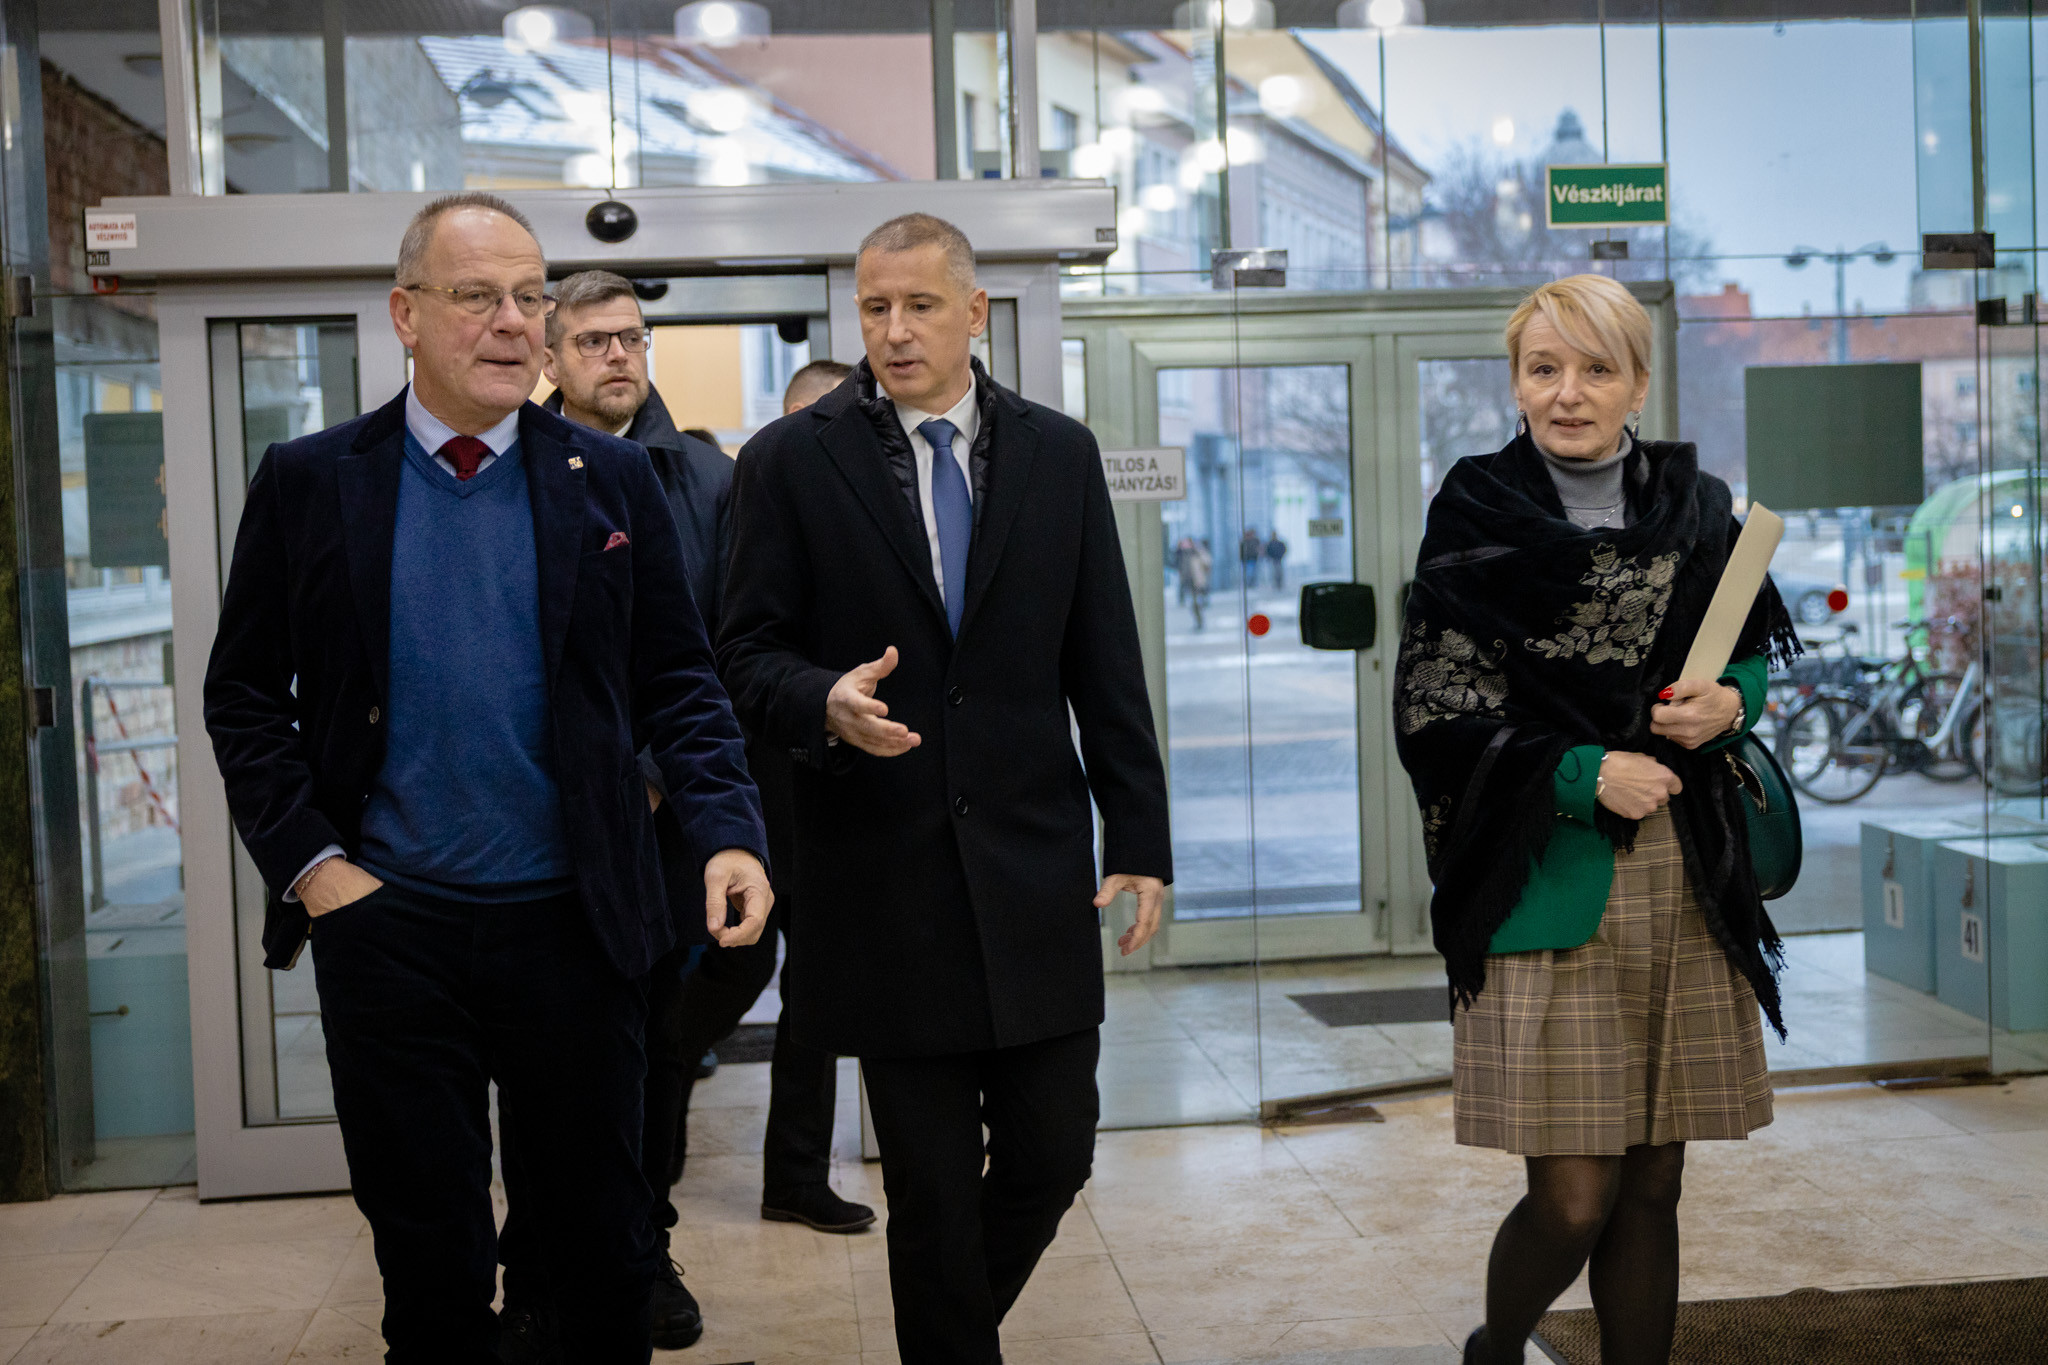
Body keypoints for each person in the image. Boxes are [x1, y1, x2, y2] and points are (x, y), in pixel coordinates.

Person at [203, 192, 773, 1365]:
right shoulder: (311, 481)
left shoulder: (609, 479)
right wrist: (315, 870)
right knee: (430, 1265)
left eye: (527, 296)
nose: (512, 321)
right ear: (405, 315)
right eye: (476, 296)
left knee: (598, 1260)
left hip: (577, 925)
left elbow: (679, 679)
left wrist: (727, 828)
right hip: (389, 928)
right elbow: (246, 696)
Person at [718, 212, 1172, 1364]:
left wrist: (1139, 836)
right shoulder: (788, 461)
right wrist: (821, 698)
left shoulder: (1058, 455)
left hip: (1033, 872)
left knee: (1053, 1152)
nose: (894, 330)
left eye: (919, 305)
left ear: (973, 312)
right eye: (874, 307)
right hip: (881, 880)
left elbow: (1104, 661)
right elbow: (743, 652)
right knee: (926, 1190)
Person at [1391, 273, 1798, 1365]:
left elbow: (1749, 652)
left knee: (1654, 1183)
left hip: (1684, 871)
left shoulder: (1695, 507)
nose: (1566, 393)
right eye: (1544, 368)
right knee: (1575, 1196)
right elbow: (1433, 708)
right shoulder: (1475, 510)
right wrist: (1581, 773)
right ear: (1517, 381)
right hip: (1544, 878)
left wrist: (1729, 703)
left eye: (1595, 369)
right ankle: (1497, 1346)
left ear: (1637, 385)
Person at [487, 268, 745, 1355]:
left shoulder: (708, 479)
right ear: (549, 356)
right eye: (592, 340)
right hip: (554, 823)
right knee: (547, 1060)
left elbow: (715, 648)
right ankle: (542, 1262)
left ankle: (640, 1245)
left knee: (655, 1048)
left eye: (631, 337)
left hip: (672, 821)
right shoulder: (512, 468)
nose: (617, 356)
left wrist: (653, 772)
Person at [661, 351, 877, 1238]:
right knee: (737, 963)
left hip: (834, 773)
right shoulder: (748, 494)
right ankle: (658, 1110)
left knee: (814, 975)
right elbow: (725, 647)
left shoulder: (869, 501)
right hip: (753, 774)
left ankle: (793, 1173)